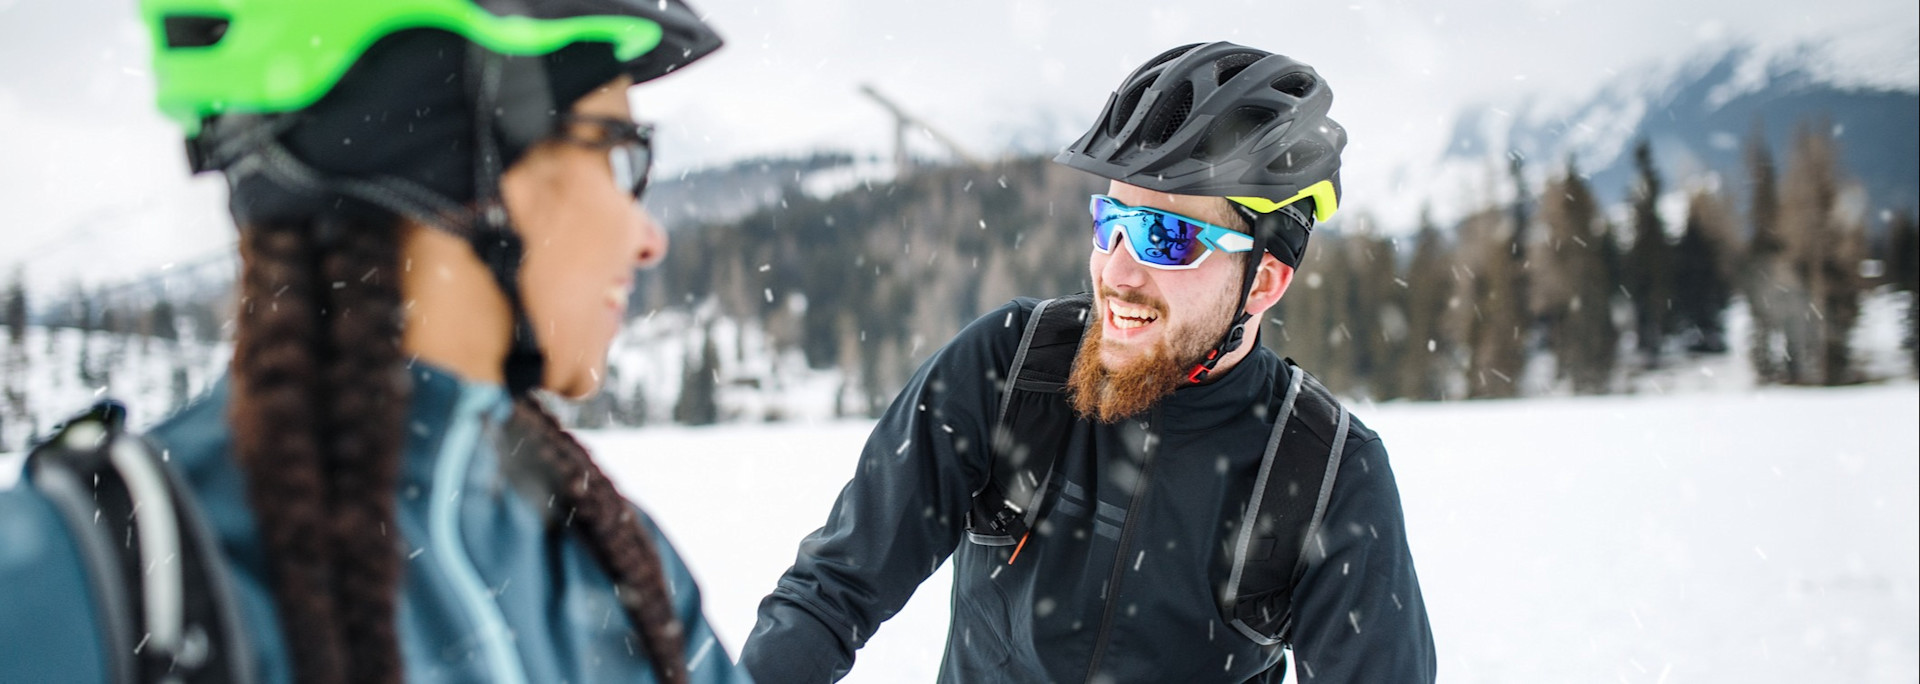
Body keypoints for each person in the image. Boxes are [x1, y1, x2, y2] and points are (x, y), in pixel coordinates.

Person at [0, 1, 750, 683]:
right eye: (619, 153)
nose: (646, 235)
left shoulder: (610, 557)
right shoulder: (89, 588)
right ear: (468, 159)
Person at [740, 42, 1436, 682]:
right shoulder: (1010, 369)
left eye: (1166, 237)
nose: (1118, 272)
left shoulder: (1322, 473)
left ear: (1262, 281)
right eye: (1113, 223)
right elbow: (833, 590)